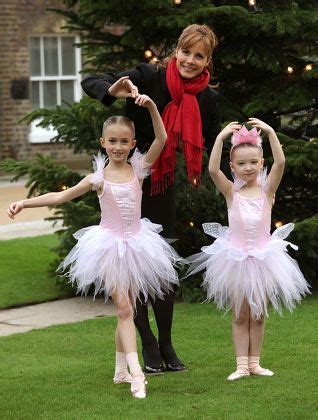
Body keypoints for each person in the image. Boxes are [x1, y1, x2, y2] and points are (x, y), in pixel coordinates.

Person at [7, 94, 183, 399]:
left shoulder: (139, 169)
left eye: (123, 141)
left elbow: (162, 137)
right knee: (126, 308)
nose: (117, 146)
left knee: (124, 311)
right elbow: (61, 197)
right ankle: (137, 374)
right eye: (112, 141)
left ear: (132, 144)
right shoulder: (97, 178)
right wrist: (25, 202)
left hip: (139, 244)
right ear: (103, 142)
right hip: (109, 247)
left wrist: (152, 106)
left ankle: (119, 370)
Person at [81, 23, 220, 374]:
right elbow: (90, 80)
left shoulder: (208, 98)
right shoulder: (148, 76)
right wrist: (112, 89)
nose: (190, 60)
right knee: (132, 268)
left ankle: (168, 342)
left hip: (161, 186)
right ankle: (147, 344)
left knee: (161, 269)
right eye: (186, 52)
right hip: (129, 178)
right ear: (177, 51)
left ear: (207, 61)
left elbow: (214, 140)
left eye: (198, 56)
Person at [186, 118, 310, 381]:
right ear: (232, 166)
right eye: (241, 163)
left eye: (253, 162)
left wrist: (271, 132)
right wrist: (219, 139)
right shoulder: (232, 192)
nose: (248, 168)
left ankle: (255, 363)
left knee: (259, 313)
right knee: (240, 314)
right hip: (237, 260)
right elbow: (211, 171)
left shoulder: (268, 191)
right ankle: (241, 365)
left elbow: (281, 163)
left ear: (261, 163)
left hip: (265, 260)